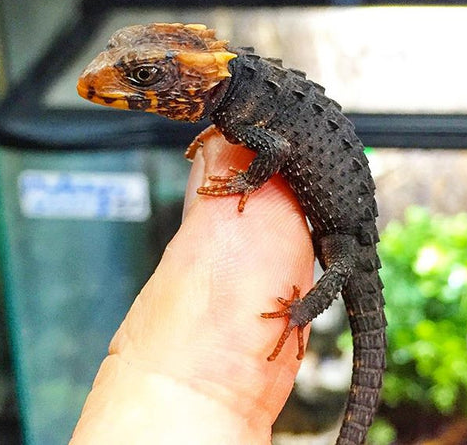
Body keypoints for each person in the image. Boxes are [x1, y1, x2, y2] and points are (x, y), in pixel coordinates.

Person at [70, 134, 315, 444]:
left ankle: (303, 311)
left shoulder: (244, 116)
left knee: (340, 260)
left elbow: (276, 147)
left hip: (343, 229)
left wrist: (248, 182)